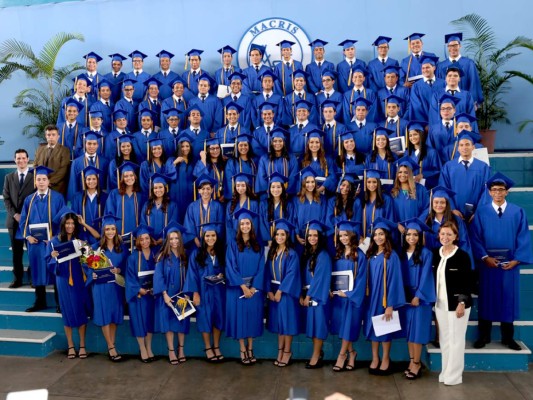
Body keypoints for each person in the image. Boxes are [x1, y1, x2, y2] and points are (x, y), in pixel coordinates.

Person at [470, 173, 533, 350]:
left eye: (501, 190)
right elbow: (475, 237)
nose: (498, 193)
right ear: (489, 192)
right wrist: (484, 257)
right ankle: (484, 336)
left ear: (507, 192)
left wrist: (516, 260)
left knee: (508, 299)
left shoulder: (517, 211)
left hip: (509, 265)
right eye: (494, 190)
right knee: (487, 299)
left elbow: (523, 237)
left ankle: (508, 338)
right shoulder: (481, 212)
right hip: (488, 265)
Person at [18, 166, 65, 312]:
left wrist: (55, 238)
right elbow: (23, 220)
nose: (41, 182)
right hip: (35, 243)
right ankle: (40, 302)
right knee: (37, 270)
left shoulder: (57, 198)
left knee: (56, 271)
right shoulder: (29, 200)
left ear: (49, 181)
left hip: (52, 243)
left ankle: (60, 303)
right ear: (35, 182)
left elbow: (63, 220)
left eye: (44, 179)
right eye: (39, 179)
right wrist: (28, 236)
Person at [46, 208, 90, 359]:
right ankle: (71, 345)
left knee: (80, 309)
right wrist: (52, 257)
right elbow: (49, 262)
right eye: (67, 223)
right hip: (63, 279)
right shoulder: (54, 241)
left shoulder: (80, 239)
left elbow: (89, 259)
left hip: (79, 278)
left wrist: (85, 252)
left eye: (72, 223)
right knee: (67, 311)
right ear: (63, 224)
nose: (70, 226)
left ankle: (83, 345)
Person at [433, 221, 473, 386]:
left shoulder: (462, 256)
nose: (445, 237)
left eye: (449, 234)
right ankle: (445, 371)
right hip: (440, 305)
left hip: (457, 305)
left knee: (456, 340)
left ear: (456, 236)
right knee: (445, 340)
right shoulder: (437, 253)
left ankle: (454, 376)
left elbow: (467, 281)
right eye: (443, 234)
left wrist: (462, 302)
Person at [365, 217, 405, 375]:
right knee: (374, 330)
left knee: (385, 330)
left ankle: (386, 359)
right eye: (375, 234)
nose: (378, 237)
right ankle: (375, 358)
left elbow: (395, 281)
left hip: (384, 299)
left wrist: (390, 305)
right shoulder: (371, 254)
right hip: (371, 299)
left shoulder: (391, 256)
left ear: (387, 236)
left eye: (381, 234)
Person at [225, 209, 265, 365]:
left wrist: (254, 287)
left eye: (247, 223)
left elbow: (262, 267)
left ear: (251, 225)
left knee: (252, 319)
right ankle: (243, 349)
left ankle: (251, 348)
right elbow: (230, 267)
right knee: (240, 319)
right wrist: (243, 287)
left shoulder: (258, 245)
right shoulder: (233, 244)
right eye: (242, 223)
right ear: (238, 225)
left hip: (254, 290)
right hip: (237, 289)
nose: (245, 226)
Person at [85, 214, 127, 362]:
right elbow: (87, 266)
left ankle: (112, 344)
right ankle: (111, 347)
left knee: (114, 317)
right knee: (104, 316)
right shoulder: (96, 248)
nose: (110, 231)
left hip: (115, 287)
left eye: (113, 229)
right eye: (107, 229)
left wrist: (120, 270)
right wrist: (92, 275)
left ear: (116, 230)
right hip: (100, 287)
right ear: (103, 230)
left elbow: (126, 265)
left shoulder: (121, 247)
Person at [184, 222, 226, 363]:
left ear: (217, 237)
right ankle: (208, 348)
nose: (210, 238)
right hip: (203, 292)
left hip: (219, 292)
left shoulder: (221, 252)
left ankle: (217, 346)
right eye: (207, 236)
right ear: (203, 237)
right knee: (205, 319)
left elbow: (227, 271)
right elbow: (192, 274)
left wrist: (222, 276)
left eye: (213, 235)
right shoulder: (196, 253)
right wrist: (195, 293)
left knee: (218, 318)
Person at [400, 218, 435, 380]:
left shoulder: (426, 253)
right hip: (404, 298)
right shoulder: (401, 254)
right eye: (408, 234)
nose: (411, 237)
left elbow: (427, 276)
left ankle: (417, 363)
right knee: (409, 332)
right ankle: (412, 361)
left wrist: (418, 295)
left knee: (418, 332)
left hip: (420, 299)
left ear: (420, 236)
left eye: (415, 234)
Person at [331, 220, 367, 372]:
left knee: (348, 327)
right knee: (343, 327)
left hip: (351, 298)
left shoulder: (360, 255)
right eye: (340, 236)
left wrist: (349, 294)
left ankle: (341, 355)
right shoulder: (337, 254)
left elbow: (362, 278)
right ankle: (352, 353)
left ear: (352, 236)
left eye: (346, 235)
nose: (343, 238)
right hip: (339, 297)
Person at [154, 222, 192, 365]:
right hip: (168, 296)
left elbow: (190, 275)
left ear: (180, 240)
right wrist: (164, 294)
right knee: (168, 323)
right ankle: (171, 350)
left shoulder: (185, 256)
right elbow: (158, 276)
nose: (174, 241)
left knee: (181, 322)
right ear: (167, 240)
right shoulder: (161, 257)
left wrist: (188, 292)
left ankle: (181, 349)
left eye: (177, 238)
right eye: (171, 239)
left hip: (182, 294)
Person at [266, 219, 301, 367]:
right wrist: (268, 291)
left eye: (282, 234)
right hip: (274, 293)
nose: (279, 237)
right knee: (279, 325)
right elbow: (266, 273)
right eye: (277, 234)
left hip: (286, 293)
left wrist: (280, 291)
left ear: (287, 236)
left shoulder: (292, 254)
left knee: (287, 324)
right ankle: (280, 350)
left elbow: (292, 274)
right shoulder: (272, 252)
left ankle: (287, 352)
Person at [438, 131, 491, 221]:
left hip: (476, 214)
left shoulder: (483, 167)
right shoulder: (449, 166)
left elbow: (486, 191)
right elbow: (444, 188)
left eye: (467, 144)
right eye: (461, 145)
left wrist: (478, 211)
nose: (464, 147)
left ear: (473, 147)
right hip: (454, 213)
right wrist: (452, 209)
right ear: (458, 148)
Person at [300, 220, 332, 369]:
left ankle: (315, 356)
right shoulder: (307, 253)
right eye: (310, 235)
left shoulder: (323, 255)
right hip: (309, 295)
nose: (312, 238)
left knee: (318, 327)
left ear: (320, 237)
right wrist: (302, 294)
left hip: (318, 297)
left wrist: (308, 296)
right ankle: (317, 353)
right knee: (313, 327)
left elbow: (319, 278)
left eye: (315, 235)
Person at [3, 149, 34, 288]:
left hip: (30, 221)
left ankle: (34, 278)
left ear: (28, 159)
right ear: (15, 160)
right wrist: (15, 214)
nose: (21, 161)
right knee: (16, 252)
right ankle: (18, 279)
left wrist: (26, 216)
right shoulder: (9, 177)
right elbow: (7, 198)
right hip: (14, 221)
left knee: (32, 251)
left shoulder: (35, 177)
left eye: (23, 158)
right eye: (18, 158)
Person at [126, 224, 157, 363]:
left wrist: (157, 288)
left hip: (151, 295)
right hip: (138, 296)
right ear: (138, 241)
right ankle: (142, 348)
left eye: (147, 238)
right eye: (141, 239)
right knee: (139, 322)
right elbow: (129, 277)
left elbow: (160, 274)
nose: (145, 241)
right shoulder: (132, 257)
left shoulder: (156, 255)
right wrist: (139, 289)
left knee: (149, 321)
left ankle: (149, 347)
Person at [436, 33, 483, 106]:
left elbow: (473, 83)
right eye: (450, 46)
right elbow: (439, 86)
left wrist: (472, 102)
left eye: (455, 45)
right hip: (446, 104)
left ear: (460, 46)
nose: (453, 48)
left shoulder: (469, 63)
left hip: (465, 102)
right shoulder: (441, 66)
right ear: (448, 47)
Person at [104, 162, 146, 237]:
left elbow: (144, 217)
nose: (129, 178)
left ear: (135, 177)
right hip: (118, 237)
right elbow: (109, 214)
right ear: (122, 178)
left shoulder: (140, 195)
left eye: (131, 175)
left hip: (137, 238)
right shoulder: (114, 194)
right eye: (126, 176)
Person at [183, 174, 225, 248]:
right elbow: (188, 226)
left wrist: (212, 242)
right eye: (203, 189)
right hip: (196, 245)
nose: (205, 191)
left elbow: (220, 226)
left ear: (212, 190)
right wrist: (197, 242)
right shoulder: (192, 207)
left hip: (213, 244)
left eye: (208, 189)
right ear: (199, 191)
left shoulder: (218, 206)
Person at [70, 166, 107, 245]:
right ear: (84, 181)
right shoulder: (77, 197)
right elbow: (74, 217)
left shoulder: (105, 197)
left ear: (98, 180)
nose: (91, 181)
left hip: (100, 236)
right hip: (81, 236)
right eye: (88, 179)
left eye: (94, 179)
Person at [255, 128, 299, 196]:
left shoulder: (291, 158)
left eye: (280, 141)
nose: (277, 143)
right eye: (275, 141)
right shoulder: (264, 158)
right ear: (271, 143)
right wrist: (271, 191)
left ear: (284, 142)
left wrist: (285, 191)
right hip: (268, 195)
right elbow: (261, 177)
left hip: (286, 195)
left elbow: (293, 176)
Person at [67, 131, 108, 202]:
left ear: (98, 145)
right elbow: (73, 183)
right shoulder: (76, 162)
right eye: (89, 143)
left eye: (94, 144)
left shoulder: (104, 162)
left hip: (100, 199)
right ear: (85, 144)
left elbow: (106, 183)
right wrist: (73, 200)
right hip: (81, 199)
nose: (92, 146)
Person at [140, 173, 178, 250]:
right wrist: (149, 239)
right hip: (149, 243)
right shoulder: (147, 205)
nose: (158, 190)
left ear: (165, 188)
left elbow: (173, 224)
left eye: (160, 187)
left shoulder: (172, 206)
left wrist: (164, 239)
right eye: (155, 188)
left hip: (167, 244)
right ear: (152, 190)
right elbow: (143, 223)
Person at [292, 167, 327, 247]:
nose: (310, 185)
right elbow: (294, 219)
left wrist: (318, 235)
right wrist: (297, 235)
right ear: (303, 183)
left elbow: (323, 218)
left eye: (312, 182)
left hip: (317, 237)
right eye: (307, 182)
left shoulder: (322, 199)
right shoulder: (296, 200)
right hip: (301, 238)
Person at [390, 156, 429, 227]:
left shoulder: (420, 189)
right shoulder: (393, 191)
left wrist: (417, 223)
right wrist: (397, 225)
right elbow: (390, 212)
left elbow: (427, 208)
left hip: (415, 230)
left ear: (410, 174)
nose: (402, 175)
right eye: (400, 172)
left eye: (406, 172)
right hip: (398, 230)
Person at [33, 125, 71, 197]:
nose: (51, 137)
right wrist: (39, 181)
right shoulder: (39, 149)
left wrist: (48, 182)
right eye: (48, 135)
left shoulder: (64, 150)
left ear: (58, 136)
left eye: (53, 135)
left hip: (57, 187)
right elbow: (35, 166)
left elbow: (63, 170)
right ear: (45, 136)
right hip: (40, 187)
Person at [165, 133, 195, 223]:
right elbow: (166, 176)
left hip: (189, 193)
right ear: (178, 147)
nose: (185, 148)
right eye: (182, 146)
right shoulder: (171, 160)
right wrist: (174, 163)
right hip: (175, 193)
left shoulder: (192, 162)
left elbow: (198, 175)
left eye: (187, 146)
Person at [258, 173, 294, 245]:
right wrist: (268, 239)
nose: (276, 190)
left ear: (282, 188)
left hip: (284, 241)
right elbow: (262, 223)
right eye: (273, 187)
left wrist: (283, 239)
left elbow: (290, 222)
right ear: (269, 188)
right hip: (268, 242)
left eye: (278, 187)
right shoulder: (263, 204)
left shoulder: (289, 205)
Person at [405, 121, 441, 188]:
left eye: (415, 134)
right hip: (410, 187)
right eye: (410, 135)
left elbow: (437, 171)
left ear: (421, 134)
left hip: (426, 187)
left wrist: (423, 175)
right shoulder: (407, 153)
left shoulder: (432, 152)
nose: (412, 138)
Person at [225, 172, 259, 241]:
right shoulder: (230, 204)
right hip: (234, 240)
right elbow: (228, 225)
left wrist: (249, 239)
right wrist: (232, 241)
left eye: (243, 185)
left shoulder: (253, 204)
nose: (240, 188)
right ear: (235, 187)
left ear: (247, 186)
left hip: (249, 239)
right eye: (238, 185)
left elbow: (255, 223)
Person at [361, 169, 394, 239]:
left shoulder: (386, 199)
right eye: (369, 182)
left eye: (374, 182)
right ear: (365, 183)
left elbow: (390, 219)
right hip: (365, 238)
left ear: (378, 183)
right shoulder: (363, 200)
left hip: (381, 238)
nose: (371, 185)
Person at [193, 137, 227, 202]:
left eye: (217, 148)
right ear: (207, 150)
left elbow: (227, 180)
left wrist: (225, 194)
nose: (215, 151)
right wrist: (203, 158)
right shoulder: (203, 163)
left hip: (221, 198)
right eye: (212, 148)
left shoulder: (224, 163)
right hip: (206, 197)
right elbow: (200, 177)